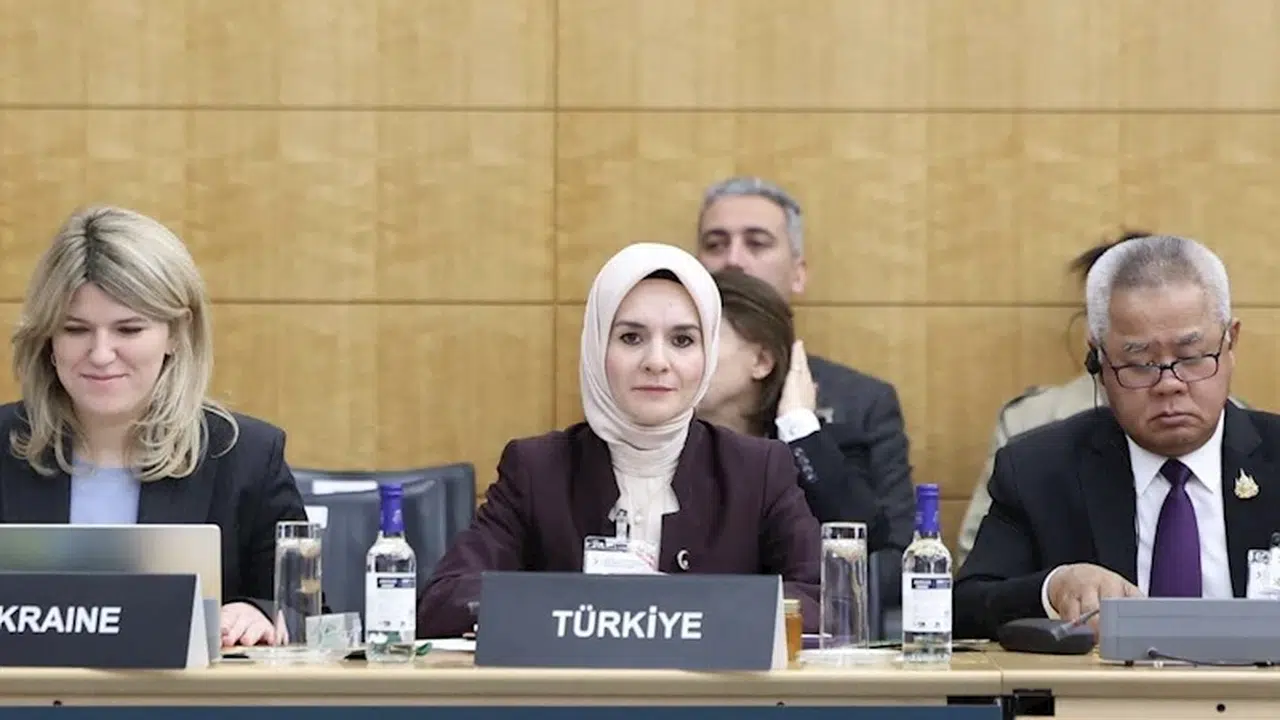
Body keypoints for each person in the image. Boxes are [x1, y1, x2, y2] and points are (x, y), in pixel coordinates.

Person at [416, 243, 822, 638]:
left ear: (707, 355)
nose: (656, 362)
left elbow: (823, 599)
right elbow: (445, 602)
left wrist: (683, 606)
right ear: (597, 348)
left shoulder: (756, 470)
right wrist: (599, 607)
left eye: (682, 340)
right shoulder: (537, 469)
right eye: (631, 338)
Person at [0, 205, 308, 648]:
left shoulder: (246, 457)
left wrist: (259, 612)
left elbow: (305, 616)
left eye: (128, 330)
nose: (101, 354)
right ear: (48, 339)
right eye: (76, 329)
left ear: (176, 334)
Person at [955, 234, 1280, 641]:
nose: (1169, 384)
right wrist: (1052, 588)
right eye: (1140, 364)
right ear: (1098, 361)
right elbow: (964, 608)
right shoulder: (1039, 471)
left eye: (1192, 357)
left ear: (1231, 342)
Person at [694, 176, 914, 549]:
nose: (733, 260)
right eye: (715, 244)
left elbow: (891, 554)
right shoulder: (662, 384)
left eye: (756, 243)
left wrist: (802, 431)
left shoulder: (860, 402)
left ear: (798, 273)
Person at [698, 268, 896, 550]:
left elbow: (864, 539)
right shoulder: (655, 444)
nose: (674, 359)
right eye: (680, 342)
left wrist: (798, 426)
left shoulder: (820, 448)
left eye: (698, 340)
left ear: (762, 361)